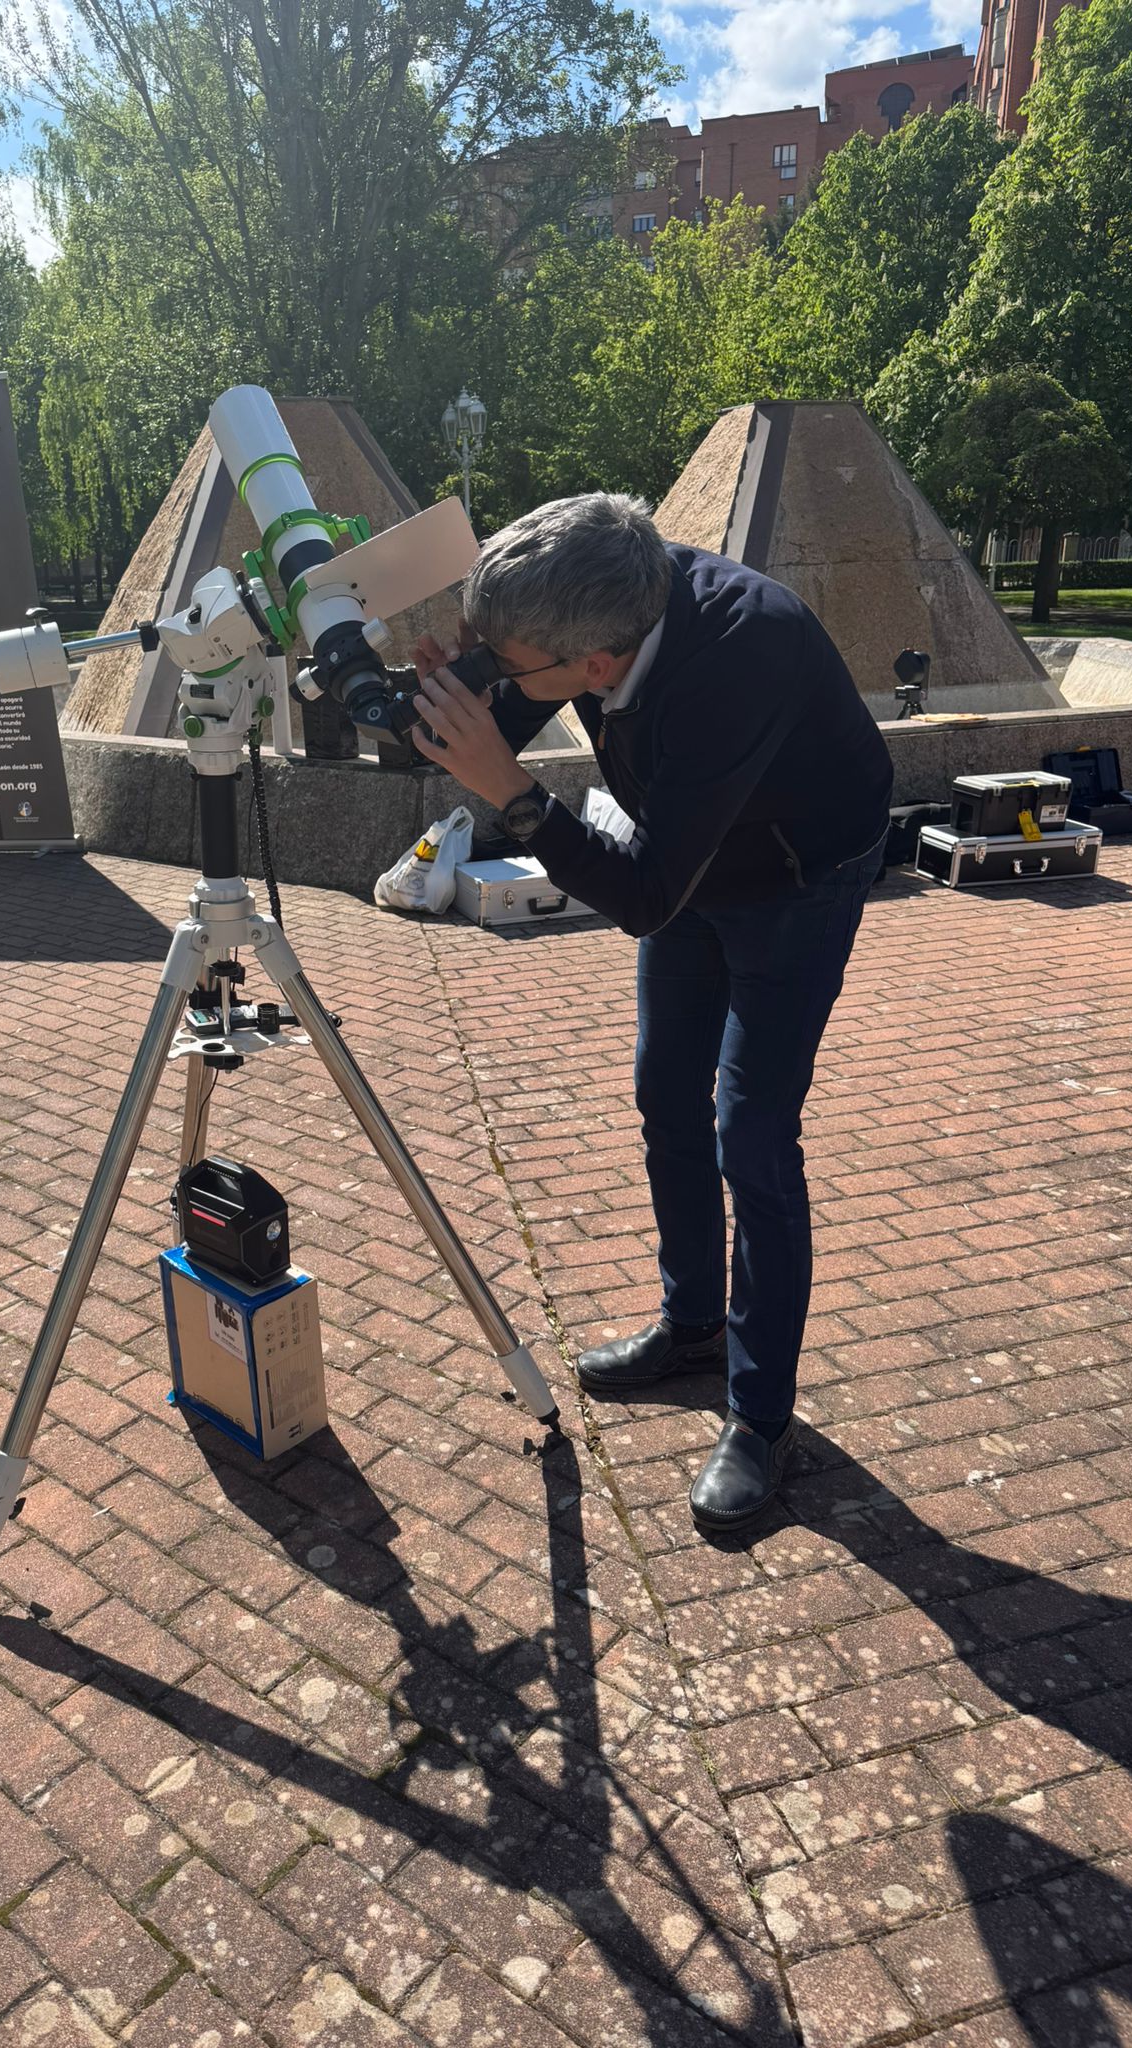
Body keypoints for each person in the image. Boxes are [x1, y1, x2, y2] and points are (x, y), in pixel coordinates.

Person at [411, 492, 892, 1532]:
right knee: (663, 1090)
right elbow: (474, 737)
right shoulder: (594, 594)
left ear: (596, 663)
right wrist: (443, 689)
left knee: (751, 1132)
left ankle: (760, 1417)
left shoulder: (742, 652)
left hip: (797, 879)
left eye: (517, 661)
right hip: (684, 854)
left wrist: (522, 799)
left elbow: (638, 896)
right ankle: (692, 1325)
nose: (508, 675)